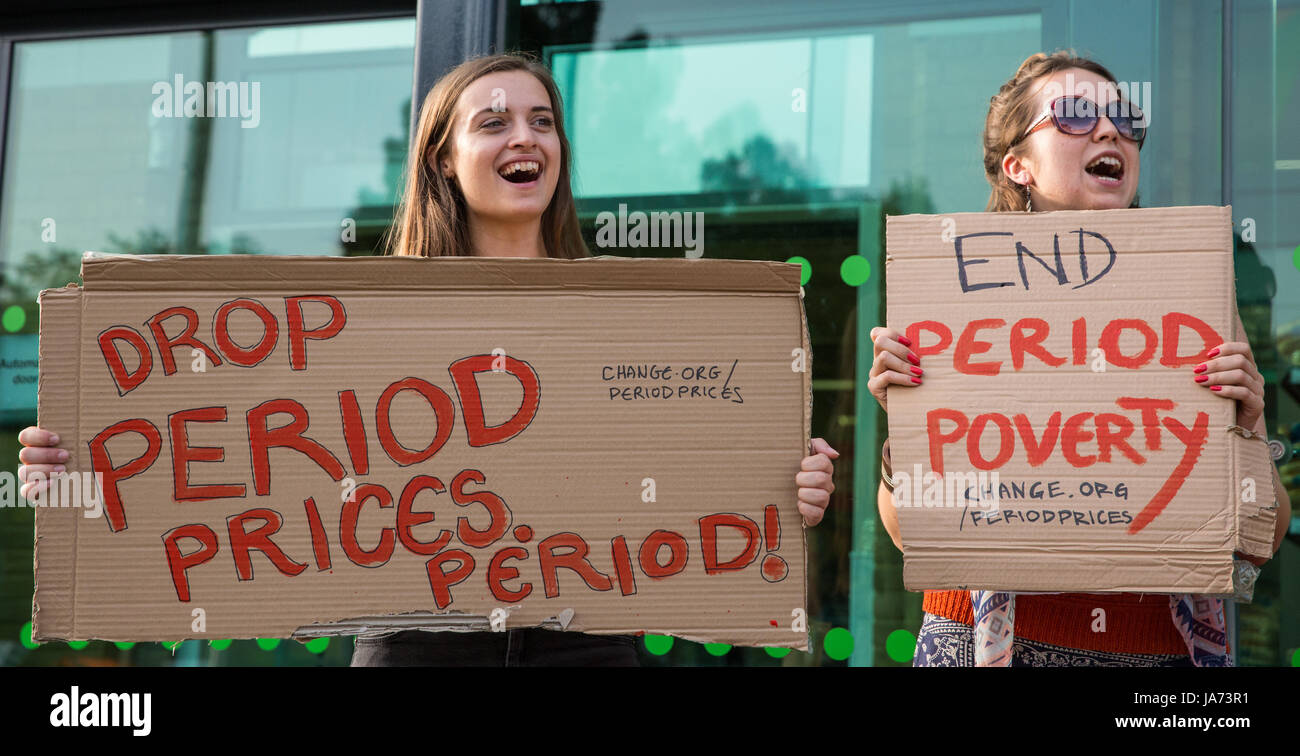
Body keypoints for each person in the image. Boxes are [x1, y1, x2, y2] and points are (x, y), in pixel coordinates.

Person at [17, 52, 838, 666]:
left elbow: (691, 478)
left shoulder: (631, 320)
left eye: (542, 120)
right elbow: (251, 457)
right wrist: (81, 477)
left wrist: (782, 489)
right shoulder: (366, 323)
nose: (526, 136)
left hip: (585, 643)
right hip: (414, 641)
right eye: (494, 121)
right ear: (444, 158)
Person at [868, 50, 1291, 667]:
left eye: (1125, 118)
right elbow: (911, 532)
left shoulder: (1192, 299)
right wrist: (907, 430)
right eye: (1072, 114)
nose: (1109, 130)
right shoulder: (955, 309)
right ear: (1019, 166)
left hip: (1154, 654)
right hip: (987, 643)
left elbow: (1262, 540)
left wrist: (1248, 429)